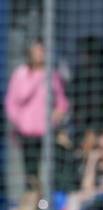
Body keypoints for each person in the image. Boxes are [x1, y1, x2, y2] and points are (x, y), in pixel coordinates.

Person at [5, 39, 69, 194]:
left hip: (47, 133)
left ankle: (46, 208)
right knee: (31, 174)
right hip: (27, 134)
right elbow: (11, 102)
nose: (41, 53)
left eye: (43, 50)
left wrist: (57, 116)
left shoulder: (52, 75)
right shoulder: (20, 74)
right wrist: (19, 122)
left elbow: (62, 102)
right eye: (37, 50)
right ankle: (34, 207)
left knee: (49, 172)